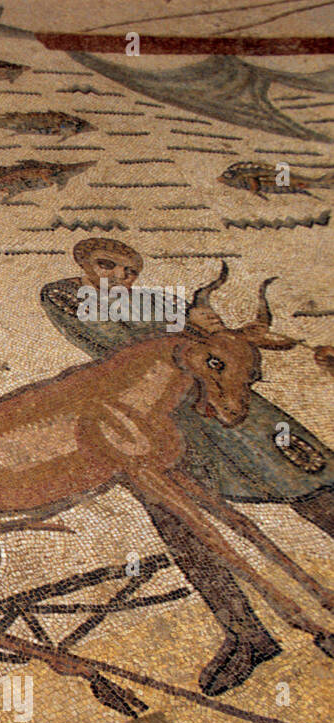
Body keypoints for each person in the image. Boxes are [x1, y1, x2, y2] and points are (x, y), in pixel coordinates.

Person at [41, 238, 334, 695]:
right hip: (160, 421)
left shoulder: (160, 303)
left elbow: (221, 346)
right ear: (82, 262)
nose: (120, 277)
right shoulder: (65, 297)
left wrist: (210, 329)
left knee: (309, 483)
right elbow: (111, 339)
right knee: (181, 524)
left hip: (229, 405)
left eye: (130, 271)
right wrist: (185, 325)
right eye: (108, 266)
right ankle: (246, 634)